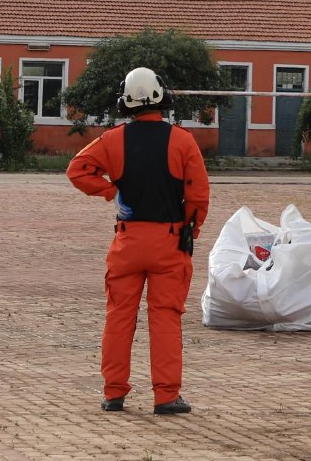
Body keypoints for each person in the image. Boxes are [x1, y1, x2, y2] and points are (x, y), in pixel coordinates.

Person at [66, 66, 210, 417]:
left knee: (118, 318)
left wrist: (110, 190)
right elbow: (199, 196)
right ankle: (166, 397)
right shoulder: (182, 140)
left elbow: (77, 169)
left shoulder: (113, 139)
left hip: (127, 243)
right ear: (162, 95)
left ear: (125, 101)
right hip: (170, 242)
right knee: (165, 319)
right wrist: (191, 227)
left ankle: (114, 393)